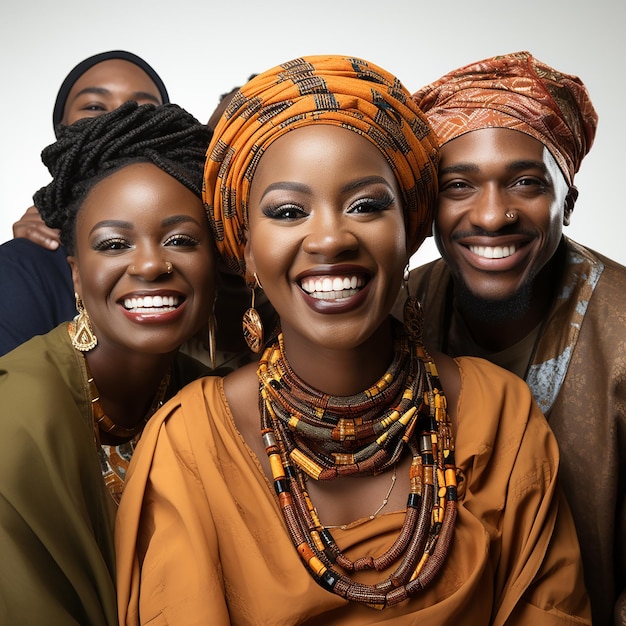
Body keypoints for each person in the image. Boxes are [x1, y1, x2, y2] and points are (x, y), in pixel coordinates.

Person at [115, 55, 591, 624]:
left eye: (366, 205)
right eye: (289, 211)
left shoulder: (501, 416)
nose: (331, 238)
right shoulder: (189, 442)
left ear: (410, 230)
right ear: (246, 248)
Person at [392, 51, 625, 626]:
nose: (493, 216)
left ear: (566, 202)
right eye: (459, 186)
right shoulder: (395, 313)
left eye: (525, 182)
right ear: (428, 208)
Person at [0, 101, 216, 625]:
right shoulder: (15, 421)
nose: (150, 263)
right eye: (115, 244)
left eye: (181, 240)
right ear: (76, 276)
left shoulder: (209, 397)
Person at [0, 50, 170, 357]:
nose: (118, 119)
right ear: (61, 130)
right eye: (93, 106)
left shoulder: (207, 256)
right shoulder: (20, 268)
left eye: (142, 107)